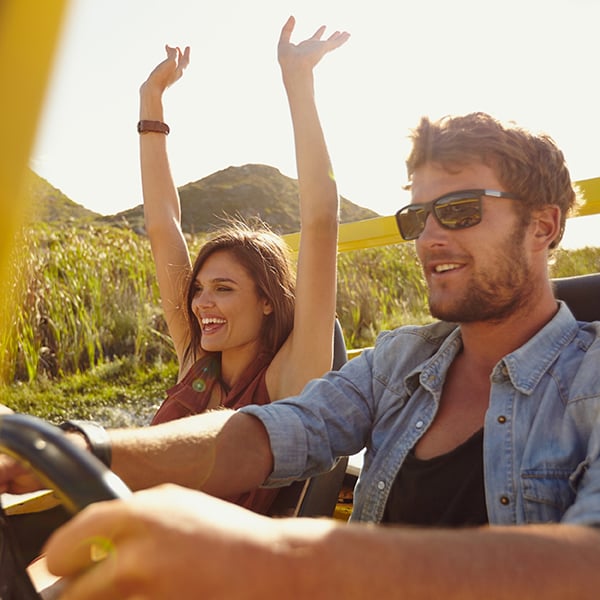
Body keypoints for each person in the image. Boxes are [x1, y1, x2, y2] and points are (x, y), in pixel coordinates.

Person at [4, 113, 600, 597]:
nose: (430, 237)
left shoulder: (591, 378)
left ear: (544, 225)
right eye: (418, 217)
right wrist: (85, 447)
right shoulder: (399, 361)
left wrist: (278, 560)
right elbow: (275, 432)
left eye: (461, 210)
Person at [134, 16, 348, 514]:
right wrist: (151, 100)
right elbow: (163, 227)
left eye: (224, 289)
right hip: (128, 536)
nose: (202, 301)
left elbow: (321, 221)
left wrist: (298, 82)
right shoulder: (198, 360)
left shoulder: (289, 378)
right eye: (201, 287)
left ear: (269, 302)